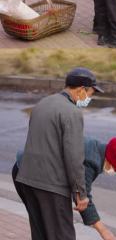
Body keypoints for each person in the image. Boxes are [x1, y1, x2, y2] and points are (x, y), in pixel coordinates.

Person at [14, 67, 103, 240]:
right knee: (62, 236)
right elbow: (74, 157)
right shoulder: (72, 112)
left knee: (40, 234)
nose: (89, 98)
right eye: (90, 93)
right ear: (80, 90)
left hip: (27, 180)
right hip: (51, 186)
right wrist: (80, 194)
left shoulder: (43, 103)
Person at [13, 137, 116, 240]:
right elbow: (82, 197)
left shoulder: (95, 148)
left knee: (43, 227)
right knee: (60, 231)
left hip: (26, 169)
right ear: (111, 160)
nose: (115, 172)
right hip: (33, 176)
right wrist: (104, 231)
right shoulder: (91, 162)